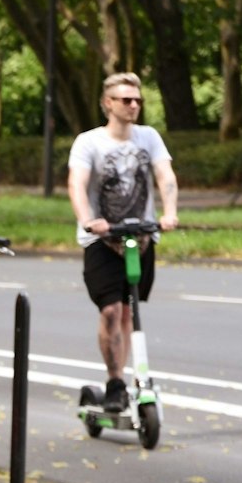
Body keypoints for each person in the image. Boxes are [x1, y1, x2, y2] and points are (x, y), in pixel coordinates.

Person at [68, 72, 178, 415]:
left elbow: (165, 175)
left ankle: (130, 381)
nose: (134, 105)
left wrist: (170, 212)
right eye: (126, 100)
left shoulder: (149, 137)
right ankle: (115, 381)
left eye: (138, 100)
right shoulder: (89, 142)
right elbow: (77, 183)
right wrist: (88, 219)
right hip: (102, 240)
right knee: (111, 310)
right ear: (108, 103)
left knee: (129, 310)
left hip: (141, 238)